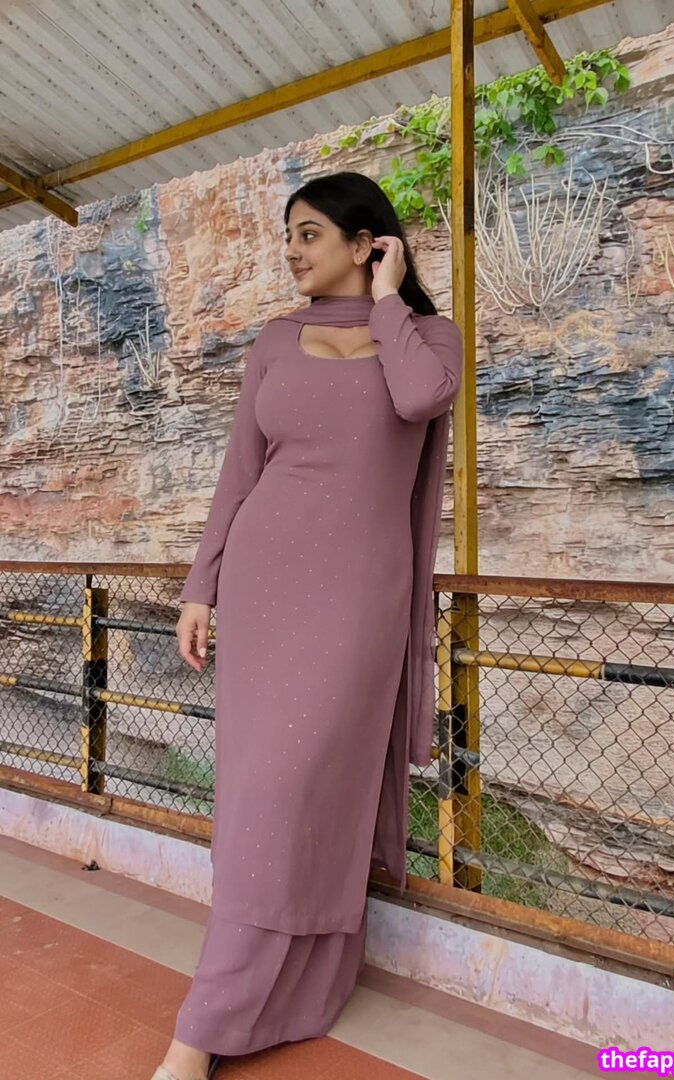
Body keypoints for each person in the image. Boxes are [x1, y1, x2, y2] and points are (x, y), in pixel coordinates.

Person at [152, 170, 463, 1080]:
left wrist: (389, 298)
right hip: (263, 587)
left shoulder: (428, 338)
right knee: (260, 797)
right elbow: (239, 473)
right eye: (288, 234)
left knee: (305, 791)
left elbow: (418, 400)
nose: (291, 251)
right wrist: (201, 588)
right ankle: (223, 1020)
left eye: (310, 234)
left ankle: (254, 1007)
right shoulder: (274, 343)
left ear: (368, 243)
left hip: (360, 600)